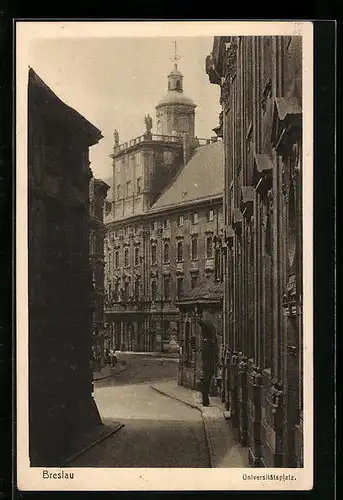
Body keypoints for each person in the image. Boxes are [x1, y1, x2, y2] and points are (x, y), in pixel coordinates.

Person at [197, 311, 217, 406]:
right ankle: (206, 400)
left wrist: (199, 320)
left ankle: (205, 401)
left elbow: (205, 327)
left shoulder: (207, 343)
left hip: (208, 367)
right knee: (205, 384)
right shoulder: (211, 342)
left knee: (204, 384)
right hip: (209, 366)